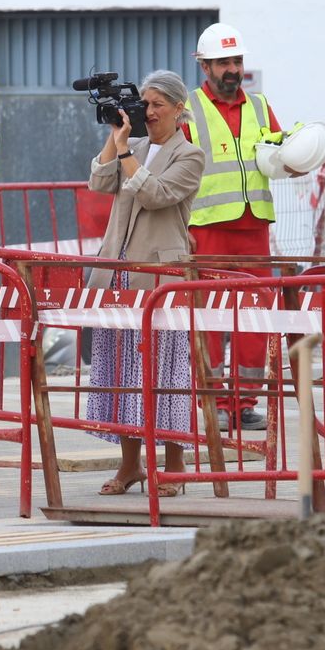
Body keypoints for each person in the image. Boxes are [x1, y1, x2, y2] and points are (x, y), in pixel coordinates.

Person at [83, 71, 207, 497]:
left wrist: (126, 153)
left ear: (178, 108)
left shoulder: (189, 155)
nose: (148, 112)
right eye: (144, 104)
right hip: (118, 270)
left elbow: (155, 194)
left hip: (158, 275)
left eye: (157, 105)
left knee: (164, 371)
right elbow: (99, 182)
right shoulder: (132, 146)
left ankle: (173, 465)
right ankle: (130, 465)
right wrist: (115, 136)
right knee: (122, 372)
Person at [184, 23, 281, 433]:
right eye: (223, 62)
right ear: (205, 67)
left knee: (254, 321)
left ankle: (244, 403)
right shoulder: (187, 108)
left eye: (237, 61)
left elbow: (279, 153)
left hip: (253, 228)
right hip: (206, 229)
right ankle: (214, 401)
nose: (232, 70)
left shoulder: (259, 106)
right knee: (210, 321)